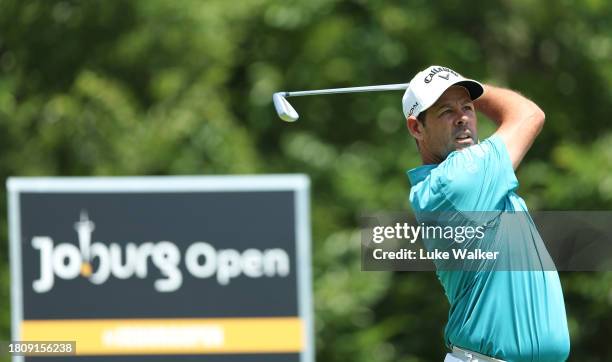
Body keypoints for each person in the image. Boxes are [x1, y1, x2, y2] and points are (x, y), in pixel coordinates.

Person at [402, 65, 570, 362]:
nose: (463, 117)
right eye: (445, 111)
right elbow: (529, 114)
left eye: (467, 106)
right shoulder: (457, 180)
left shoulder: (459, 182)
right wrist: (480, 88)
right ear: (416, 128)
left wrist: (450, 87)